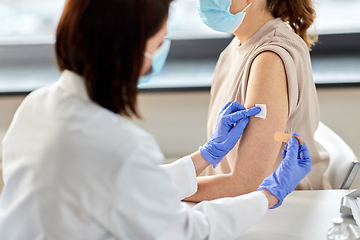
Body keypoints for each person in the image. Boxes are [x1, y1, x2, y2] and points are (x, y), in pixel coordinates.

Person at [0, 0, 311, 239]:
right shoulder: (120, 146)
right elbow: (190, 231)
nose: (164, 46)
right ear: (132, 49)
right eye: (160, 39)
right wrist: (268, 195)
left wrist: (204, 156)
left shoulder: (35, 107)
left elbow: (123, 183)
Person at [185, 0, 330, 202]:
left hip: (280, 211)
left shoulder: (269, 59)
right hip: (235, 207)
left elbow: (246, 186)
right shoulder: (235, 48)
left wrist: (163, 189)